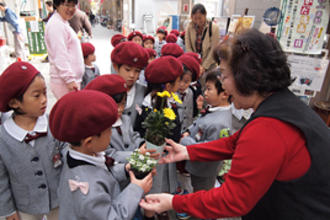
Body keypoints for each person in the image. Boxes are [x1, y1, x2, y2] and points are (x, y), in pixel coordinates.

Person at [139, 28, 330, 219]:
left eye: (225, 76)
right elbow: (235, 142)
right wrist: (187, 151)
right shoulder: (283, 104)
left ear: (247, 77)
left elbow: (232, 199)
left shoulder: (269, 129)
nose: (224, 85)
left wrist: (173, 202)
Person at [49, 90, 153, 219]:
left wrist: (126, 169)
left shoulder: (80, 154)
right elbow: (114, 217)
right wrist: (137, 189)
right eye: (109, 130)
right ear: (89, 141)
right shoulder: (86, 188)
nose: (111, 133)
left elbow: (101, 173)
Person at [0, 62, 66, 220]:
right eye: (37, 96)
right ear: (14, 103)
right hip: (25, 206)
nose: (44, 100)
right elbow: (1, 179)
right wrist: (7, 210)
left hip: (59, 199)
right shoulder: (3, 138)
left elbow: (66, 150)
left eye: (45, 93)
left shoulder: (53, 123)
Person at [134, 56, 183, 220]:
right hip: (156, 156)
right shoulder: (154, 109)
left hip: (161, 155)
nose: (180, 85)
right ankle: (153, 212)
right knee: (155, 186)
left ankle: (158, 209)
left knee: (160, 184)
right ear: (168, 86)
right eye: (178, 81)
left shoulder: (157, 102)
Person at [84, 74, 144, 163]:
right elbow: (109, 153)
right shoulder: (101, 130)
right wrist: (137, 154)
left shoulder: (126, 119)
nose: (120, 109)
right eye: (115, 105)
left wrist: (142, 144)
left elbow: (134, 136)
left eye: (123, 104)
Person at [45, 0, 84, 100]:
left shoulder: (62, 22)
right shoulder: (56, 25)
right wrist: (69, 80)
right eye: (67, 5)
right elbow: (59, 55)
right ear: (57, 5)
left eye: (73, 5)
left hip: (69, 82)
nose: (71, 9)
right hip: (65, 84)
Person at [111, 41, 149, 126]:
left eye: (137, 71)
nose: (132, 75)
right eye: (127, 70)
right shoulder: (107, 90)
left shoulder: (144, 91)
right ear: (116, 67)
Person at [185, 3, 219, 85]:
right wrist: (196, 64)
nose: (197, 21)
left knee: (208, 88)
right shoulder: (189, 27)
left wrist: (203, 67)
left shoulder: (213, 28)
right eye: (195, 18)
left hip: (209, 66)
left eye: (200, 18)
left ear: (205, 15)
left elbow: (213, 49)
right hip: (195, 64)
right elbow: (188, 47)